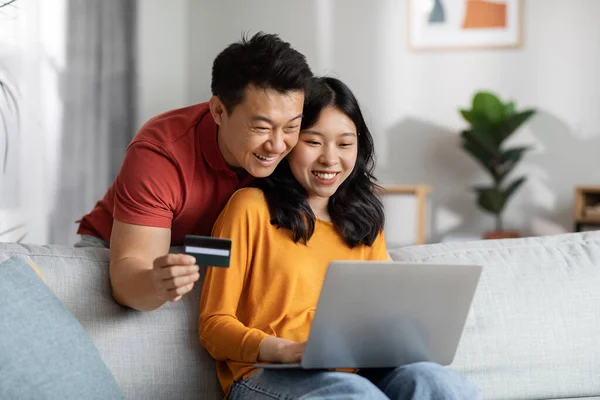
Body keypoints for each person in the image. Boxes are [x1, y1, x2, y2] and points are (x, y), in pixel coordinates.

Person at [199, 77, 480, 399]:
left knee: (438, 382)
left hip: (358, 369)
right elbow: (213, 325)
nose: (330, 159)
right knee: (354, 393)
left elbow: (380, 318)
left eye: (344, 144)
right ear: (288, 142)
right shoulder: (248, 208)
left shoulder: (364, 220)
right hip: (265, 373)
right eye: (314, 142)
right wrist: (282, 350)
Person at [74, 32, 313, 311]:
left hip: (208, 249)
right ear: (219, 112)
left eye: (291, 127)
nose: (277, 144)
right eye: (261, 127)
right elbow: (128, 277)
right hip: (122, 251)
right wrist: (157, 283)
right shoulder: (161, 152)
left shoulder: (295, 147)